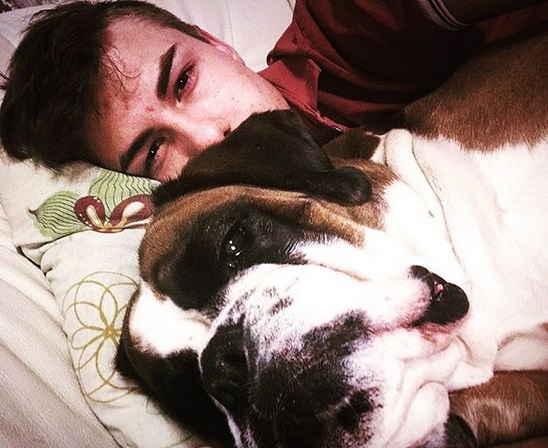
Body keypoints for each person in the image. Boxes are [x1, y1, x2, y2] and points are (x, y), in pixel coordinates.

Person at [0, 0, 547, 182]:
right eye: (154, 150)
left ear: (216, 43)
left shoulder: (342, 30)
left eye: (184, 81)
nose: (213, 138)